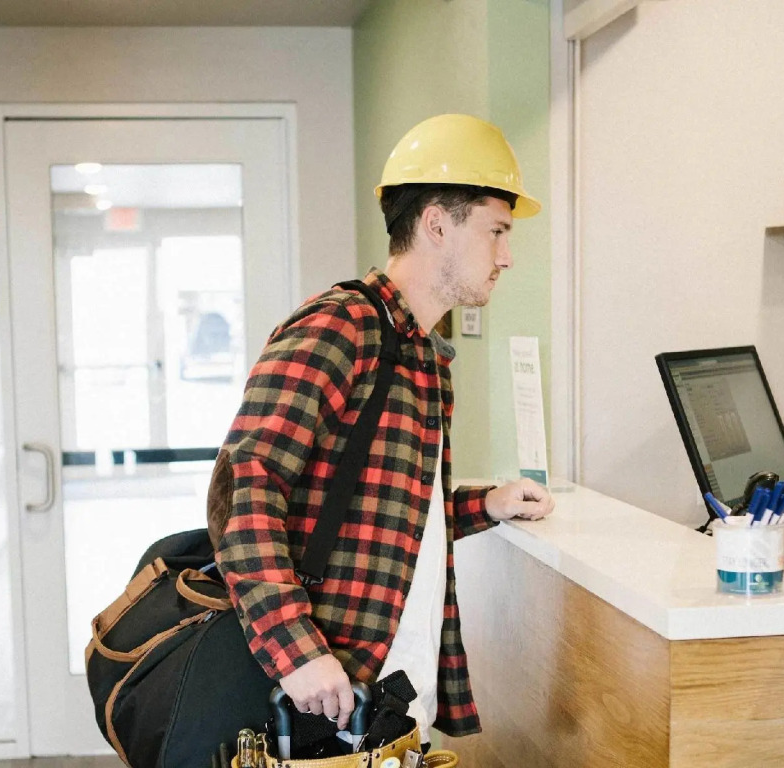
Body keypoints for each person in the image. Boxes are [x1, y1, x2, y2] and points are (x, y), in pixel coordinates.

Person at [212, 113, 555, 745]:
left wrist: (484, 505)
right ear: (436, 225)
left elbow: (387, 512)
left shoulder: (423, 354)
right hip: (324, 688)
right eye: (497, 231)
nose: (507, 256)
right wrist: (296, 650)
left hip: (389, 688)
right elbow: (243, 487)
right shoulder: (341, 326)